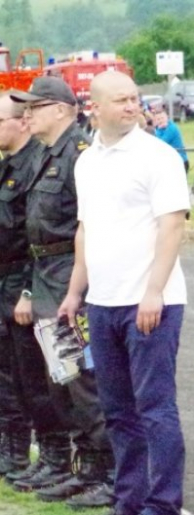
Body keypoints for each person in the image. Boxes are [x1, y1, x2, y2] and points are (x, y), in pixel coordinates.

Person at [58, 70, 190, 515]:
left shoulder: (158, 156)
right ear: (94, 107)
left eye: (134, 98)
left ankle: (163, 503)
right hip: (103, 302)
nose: (131, 106)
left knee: (155, 408)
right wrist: (76, 291)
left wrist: (153, 291)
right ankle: (129, 499)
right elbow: (86, 230)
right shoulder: (86, 161)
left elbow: (173, 225)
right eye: (120, 100)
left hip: (151, 301)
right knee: (117, 411)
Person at [8, 77, 115, 509]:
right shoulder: (46, 155)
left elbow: (86, 228)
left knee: (85, 382)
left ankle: (106, 471)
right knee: (62, 381)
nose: (26, 114)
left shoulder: (80, 155)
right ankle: (82, 469)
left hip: (73, 276)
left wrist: (78, 286)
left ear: (60, 109)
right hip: (47, 273)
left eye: (34, 106)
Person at [0, 94, 40, 480]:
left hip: (21, 282)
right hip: (3, 282)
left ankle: (47, 454)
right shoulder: (9, 165)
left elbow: (35, 236)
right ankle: (10, 450)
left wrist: (28, 290)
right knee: (6, 375)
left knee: (30, 376)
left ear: (21, 122)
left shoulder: (34, 166)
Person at [153, 109, 189, 173]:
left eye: (162, 118)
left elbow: (160, 143)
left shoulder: (172, 128)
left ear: (167, 117)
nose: (161, 120)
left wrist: (159, 129)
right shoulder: (159, 128)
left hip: (180, 162)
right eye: (158, 119)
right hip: (169, 161)